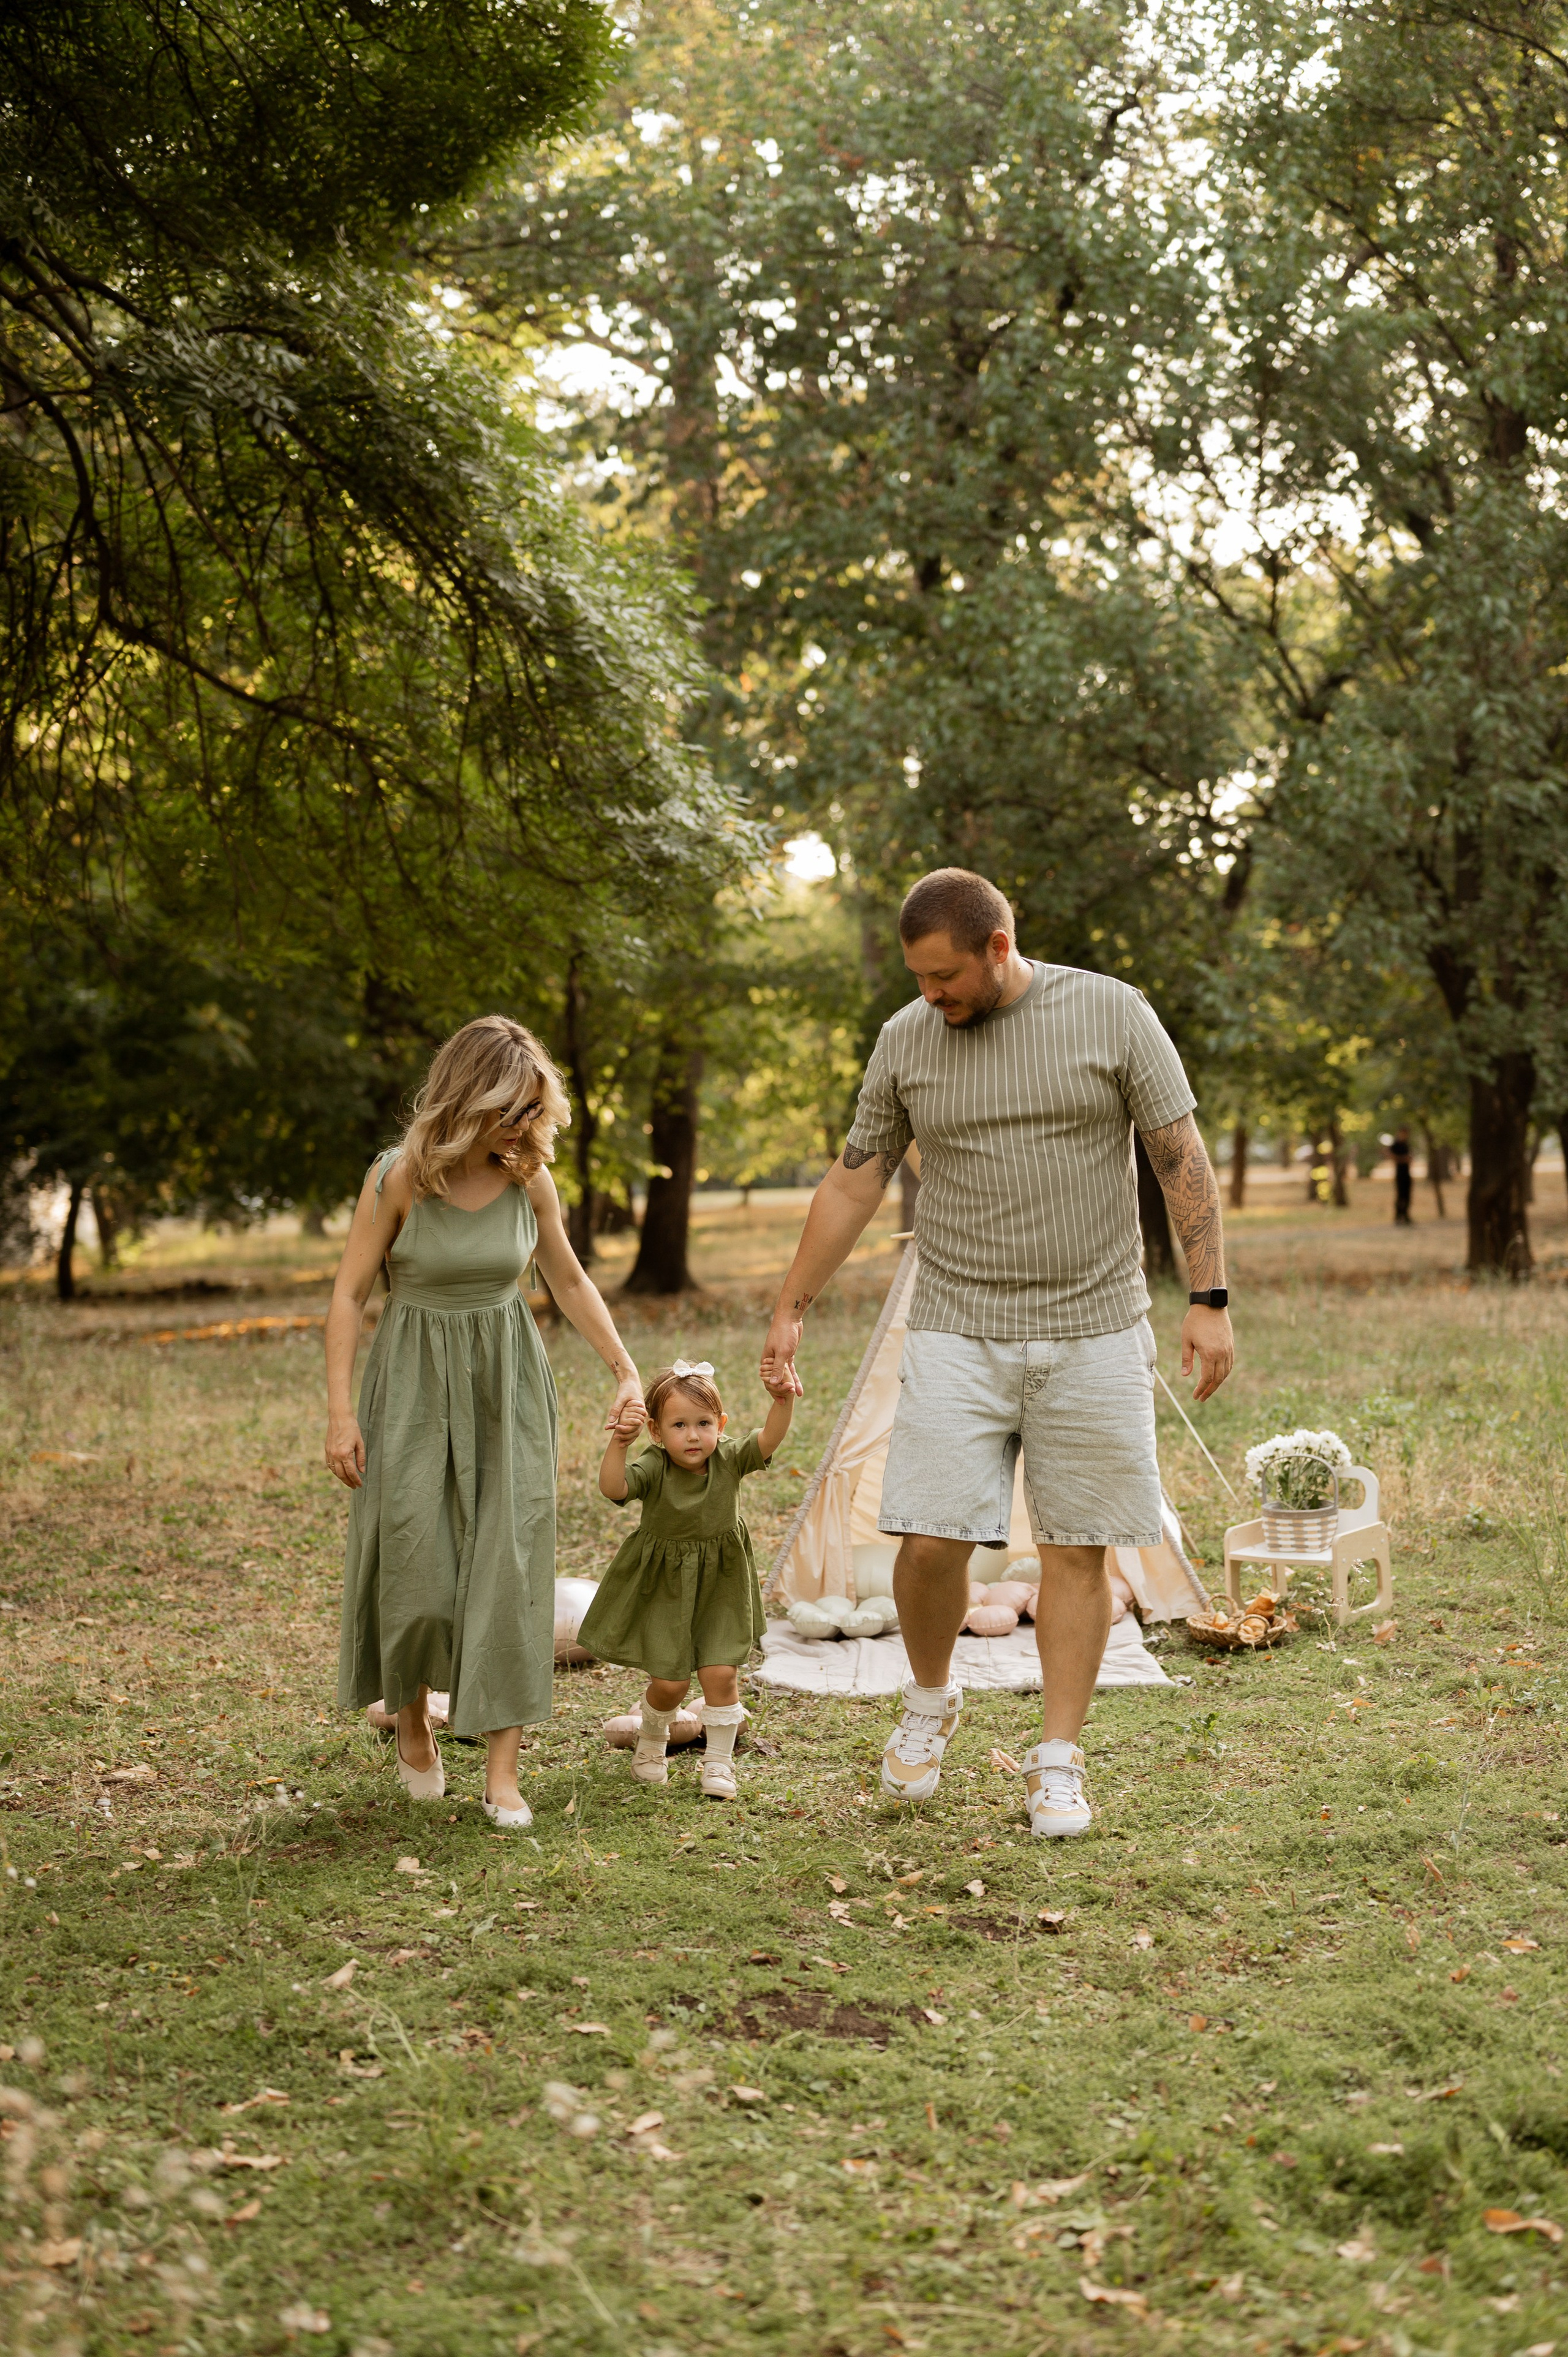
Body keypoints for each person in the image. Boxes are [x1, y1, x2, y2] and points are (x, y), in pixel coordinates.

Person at [761, 869, 1234, 1842]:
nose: (931, 996)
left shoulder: (1112, 1012)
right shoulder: (907, 1041)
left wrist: (1209, 1298)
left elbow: (1178, 1155)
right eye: (919, 979)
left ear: (999, 948)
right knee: (929, 1540)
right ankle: (930, 1700)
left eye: (945, 978)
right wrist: (790, 1303)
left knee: (1077, 1545)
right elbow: (855, 1182)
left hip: (1095, 1327)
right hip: (957, 1326)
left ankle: (1057, 1759)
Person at [325, 1016, 643, 1828]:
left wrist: (623, 1368)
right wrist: (337, 1412)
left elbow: (568, 1282)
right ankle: (411, 1722)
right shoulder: (398, 1178)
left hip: (508, 1381)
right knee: (418, 1567)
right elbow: (348, 1295)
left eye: (533, 1111)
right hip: (412, 1383)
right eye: (513, 1109)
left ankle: (502, 1775)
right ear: (470, 1098)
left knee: (508, 1565)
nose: (524, 1126)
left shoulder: (529, 1177)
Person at [581, 1359, 795, 1800]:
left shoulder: (730, 1457)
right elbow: (614, 1489)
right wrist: (621, 1443)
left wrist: (782, 1401)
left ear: (720, 1424)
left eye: (703, 1424)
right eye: (679, 1425)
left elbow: (769, 1438)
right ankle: (653, 1740)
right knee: (671, 1683)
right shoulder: (656, 1465)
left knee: (721, 1675)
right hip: (665, 1586)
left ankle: (718, 1762)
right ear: (657, 1431)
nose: (693, 1436)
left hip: (722, 1585)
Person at [1390, 1126, 1414, 1225]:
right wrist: (1404, 1159)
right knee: (1400, 1196)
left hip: (1407, 1173)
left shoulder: (1406, 1144)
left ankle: (1406, 1215)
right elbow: (1392, 1156)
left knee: (1407, 1196)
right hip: (1400, 1174)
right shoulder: (1396, 1145)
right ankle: (1398, 1216)